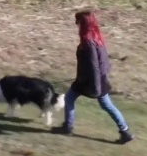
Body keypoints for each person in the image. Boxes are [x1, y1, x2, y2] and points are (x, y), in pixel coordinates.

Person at [53, 10, 135, 144]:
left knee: (70, 98)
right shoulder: (97, 37)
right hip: (96, 80)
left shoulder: (88, 42)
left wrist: (95, 86)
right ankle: (124, 131)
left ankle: (67, 127)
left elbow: (94, 66)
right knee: (107, 105)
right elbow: (104, 64)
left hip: (90, 81)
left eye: (78, 22)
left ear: (83, 23)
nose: (76, 25)